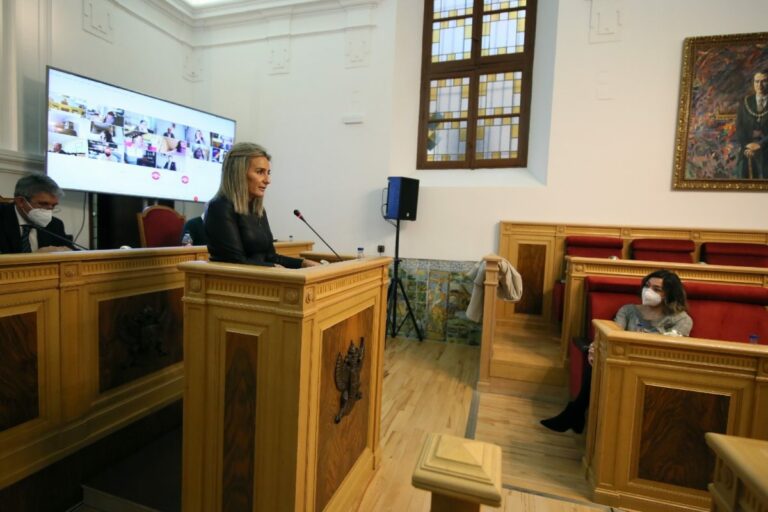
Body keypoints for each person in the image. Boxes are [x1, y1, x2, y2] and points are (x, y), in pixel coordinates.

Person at [540, 269, 693, 433]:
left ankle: (575, 413)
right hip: (623, 363)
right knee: (598, 356)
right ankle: (577, 412)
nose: (648, 291)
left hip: (654, 369)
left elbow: (671, 350)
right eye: (647, 286)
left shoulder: (681, 319)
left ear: (669, 294)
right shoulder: (628, 310)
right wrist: (596, 346)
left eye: (656, 289)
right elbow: (612, 334)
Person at [205, 142, 319, 268]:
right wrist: (275, 269)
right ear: (238, 173)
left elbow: (271, 257)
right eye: (260, 172)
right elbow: (236, 262)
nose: (267, 180)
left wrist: (304, 263)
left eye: (268, 173)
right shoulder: (220, 207)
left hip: (261, 277)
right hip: (238, 280)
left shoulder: (258, 210)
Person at [0, 174, 72, 254]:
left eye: (53, 205)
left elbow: (73, 252)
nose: (49, 211)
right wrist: (34, 257)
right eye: (43, 204)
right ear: (21, 201)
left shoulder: (55, 225)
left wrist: (68, 251)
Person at [735, 70, 768, 180]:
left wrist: (760, 144)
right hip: (747, 149)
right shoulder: (745, 102)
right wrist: (747, 145)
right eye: (757, 81)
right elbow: (739, 127)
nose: (760, 85)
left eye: (764, 81)